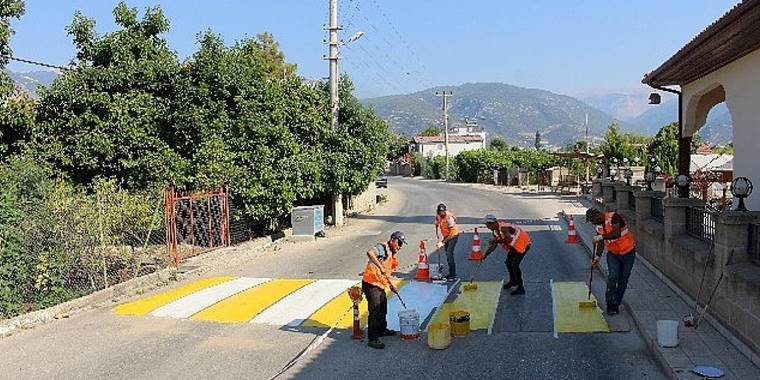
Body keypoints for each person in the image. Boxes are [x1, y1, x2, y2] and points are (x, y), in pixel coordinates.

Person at [586, 208, 636, 315]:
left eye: (592, 220)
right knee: (613, 277)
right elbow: (600, 244)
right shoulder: (599, 227)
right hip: (613, 254)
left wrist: (601, 237)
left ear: (597, 216)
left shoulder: (614, 217)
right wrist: (597, 257)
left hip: (628, 252)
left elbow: (616, 233)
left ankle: (616, 303)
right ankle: (609, 303)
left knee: (623, 279)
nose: (592, 223)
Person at [361, 230, 407, 349]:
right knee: (375, 311)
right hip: (371, 283)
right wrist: (380, 266)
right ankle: (373, 338)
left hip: (379, 284)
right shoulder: (383, 248)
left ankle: (381, 330)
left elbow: (387, 273)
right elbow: (370, 252)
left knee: (383, 307)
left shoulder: (391, 253)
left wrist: (391, 285)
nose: (400, 246)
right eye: (399, 243)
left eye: (402, 244)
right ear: (392, 240)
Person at [481, 214, 532, 295]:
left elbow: (508, 239)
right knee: (508, 263)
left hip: (523, 244)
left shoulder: (503, 228)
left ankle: (521, 288)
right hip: (515, 245)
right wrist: (485, 255)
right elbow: (493, 245)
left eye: (487, 225)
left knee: (515, 265)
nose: (487, 227)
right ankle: (513, 281)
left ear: (492, 223)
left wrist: (495, 241)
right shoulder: (495, 230)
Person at [434, 203, 461, 281]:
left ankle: (453, 275)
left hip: (453, 236)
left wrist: (442, 242)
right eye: (439, 212)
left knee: (449, 254)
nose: (441, 213)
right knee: (447, 254)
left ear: (445, 211)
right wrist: (436, 226)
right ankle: (451, 273)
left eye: (442, 212)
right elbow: (437, 221)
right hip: (446, 235)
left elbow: (452, 233)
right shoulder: (438, 215)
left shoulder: (449, 218)